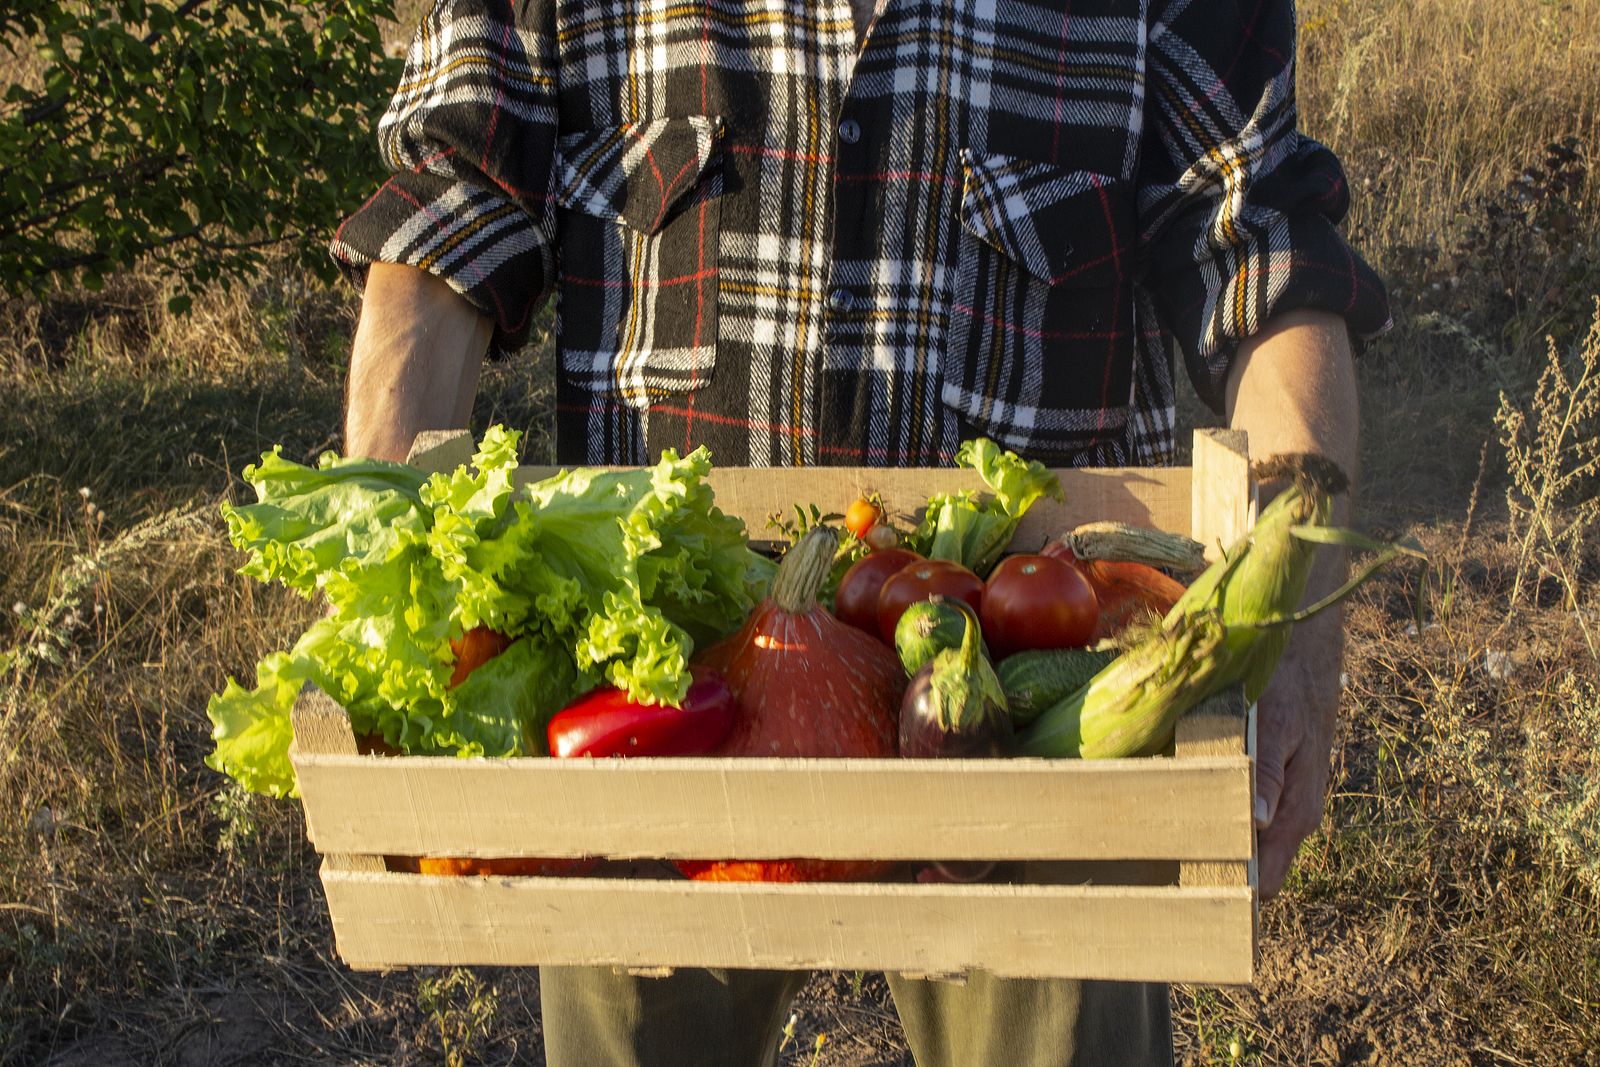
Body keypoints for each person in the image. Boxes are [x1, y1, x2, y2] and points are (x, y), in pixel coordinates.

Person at [331, 0, 1390, 1063]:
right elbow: (450, 209)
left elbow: (1263, 250)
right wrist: (379, 583)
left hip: (1024, 693)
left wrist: (1298, 629)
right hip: (661, 686)